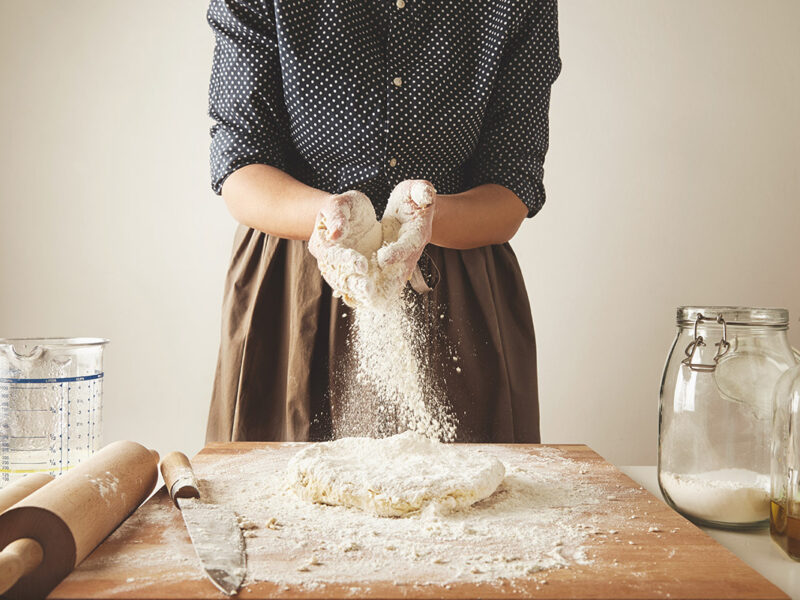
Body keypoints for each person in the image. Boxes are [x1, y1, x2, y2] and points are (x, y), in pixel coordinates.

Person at [204, 0, 562, 444]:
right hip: (296, 288)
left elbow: (512, 183)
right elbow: (241, 166)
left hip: (454, 290)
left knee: (459, 501)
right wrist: (329, 218)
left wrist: (424, 218)